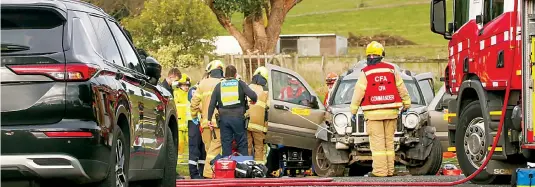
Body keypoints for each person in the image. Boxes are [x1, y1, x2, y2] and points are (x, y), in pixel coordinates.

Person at [349, 41, 411, 177]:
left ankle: (380, 172)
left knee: (378, 145)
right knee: (389, 143)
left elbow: (358, 93)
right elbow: (401, 88)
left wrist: (353, 111)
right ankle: (389, 170)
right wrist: (407, 104)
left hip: (373, 114)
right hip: (391, 112)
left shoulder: (366, 73)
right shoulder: (391, 69)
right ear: (382, 55)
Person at [207, 65, 257, 157]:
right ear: (235, 74)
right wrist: (253, 101)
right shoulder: (240, 83)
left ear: (225, 75)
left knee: (226, 144)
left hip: (224, 119)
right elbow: (253, 96)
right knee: (242, 143)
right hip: (238, 118)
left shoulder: (219, 85)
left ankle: (227, 168)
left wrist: (209, 119)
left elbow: (212, 104)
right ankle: (242, 167)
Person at [190, 60, 225, 178]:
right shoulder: (224, 83)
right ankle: (209, 174)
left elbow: (194, 103)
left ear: (210, 72)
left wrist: (194, 116)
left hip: (205, 123)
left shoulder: (202, 83)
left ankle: (209, 174)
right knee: (214, 149)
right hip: (219, 123)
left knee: (209, 149)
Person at [246, 66, 270, 164]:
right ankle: (259, 170)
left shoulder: (247, 87)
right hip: (260, 126)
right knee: (259, 148)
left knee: (247, 147)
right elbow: (269, 107)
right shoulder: (266, 91)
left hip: (246, 124)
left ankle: (246, 169)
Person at [187, 80, 206, 179]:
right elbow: (194, 102)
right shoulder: (194, 90)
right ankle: (193, 173)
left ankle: (202, 172)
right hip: (194, 122)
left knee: (203, 149)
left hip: (202, 122)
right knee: (194, 148)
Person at [173, 74, 191, 166]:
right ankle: (178, 163)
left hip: (188, 123)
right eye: (184, 85)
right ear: (179, 85)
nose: (186, 87)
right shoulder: (175, 93)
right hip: (179, 124)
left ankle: (191, 162)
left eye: (187, 85)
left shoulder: (190, 94)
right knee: (180, 144)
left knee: (191, 143)